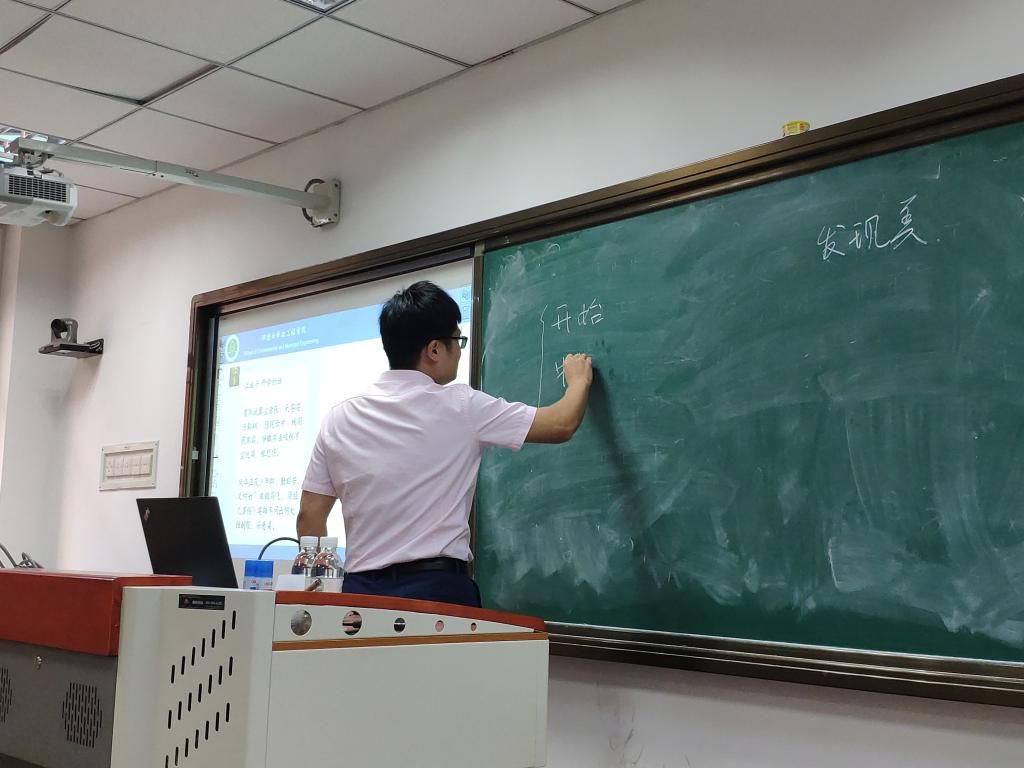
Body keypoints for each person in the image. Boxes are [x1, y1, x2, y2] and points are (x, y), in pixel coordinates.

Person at [297, 280, 593, 607]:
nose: (461, 349)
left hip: (359, 596)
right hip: (436, 593)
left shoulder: (339, 418)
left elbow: (309, 515)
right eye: (458, 340)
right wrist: (578, 382)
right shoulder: (461, 406)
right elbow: (561, 424)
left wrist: (320, 584)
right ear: (435, 350)